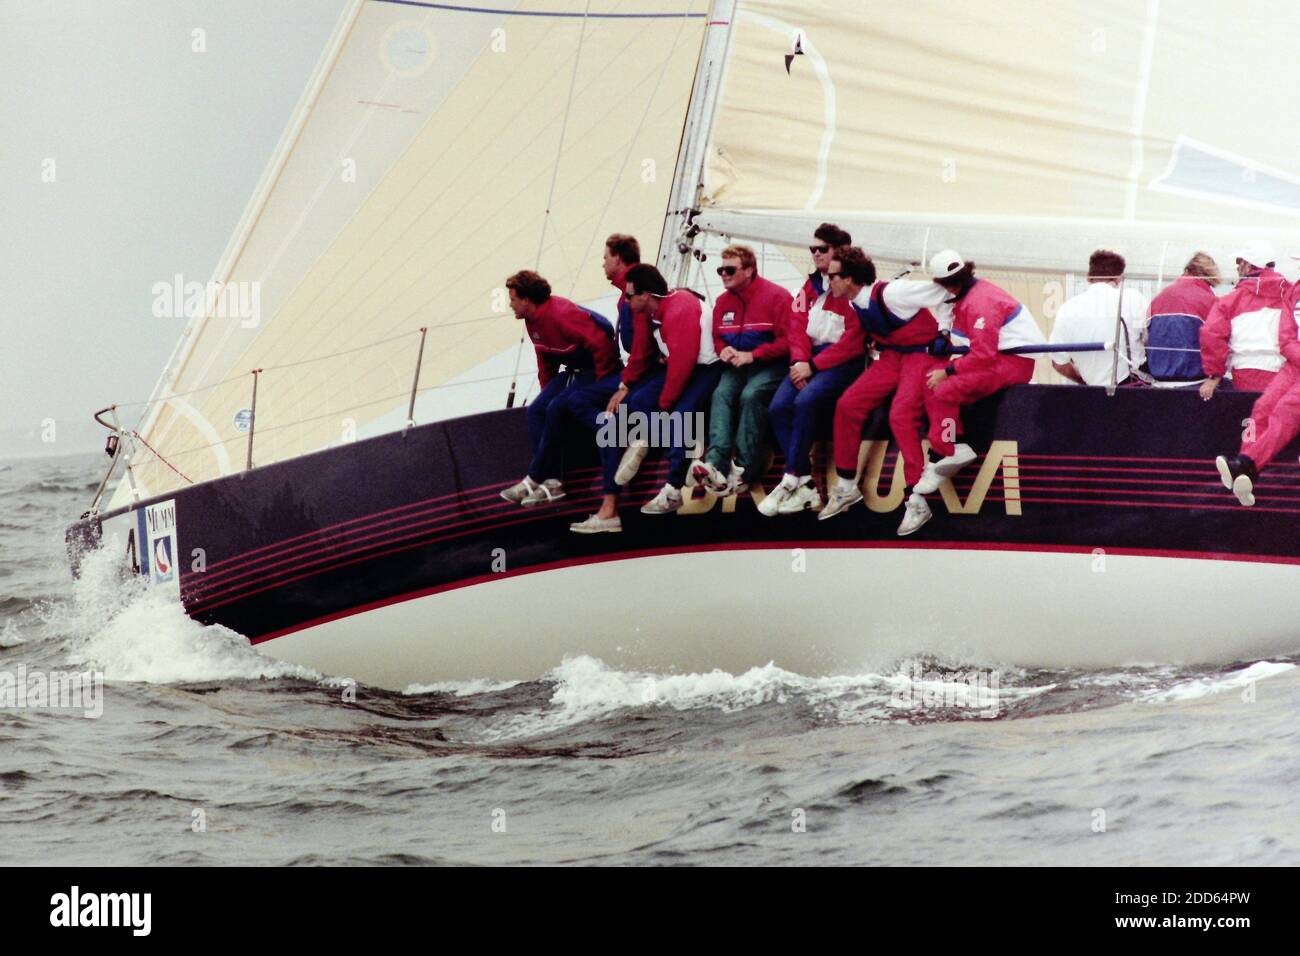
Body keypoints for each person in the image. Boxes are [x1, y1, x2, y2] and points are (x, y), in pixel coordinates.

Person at [569, 264, 722, 530]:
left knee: (681, 414)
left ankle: (673, 487)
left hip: (706, 367)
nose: (625, 301)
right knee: (635, 403)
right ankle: (646, 439)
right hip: (677, 365)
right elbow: (639, 352)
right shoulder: (644, 311)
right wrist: (625, 385)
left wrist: (663, 405)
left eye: (629, 296)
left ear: (646, 295)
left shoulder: (680, 309)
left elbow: (683, 364)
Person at [816, 248, 955, 536]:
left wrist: (943, 331)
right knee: (847, 405)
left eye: (833, 276)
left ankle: (916, 499)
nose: (828, 281)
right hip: (894, 356)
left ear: (850, 278)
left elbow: (948, 292)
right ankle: (845, 485)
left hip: (921, 355)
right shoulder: (854, 302)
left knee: (900, 415)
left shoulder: (894, 293)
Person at [915, 250, 1045, 499]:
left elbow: (983, 355)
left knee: (944, 389)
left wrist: (949, 370)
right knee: (932, 379)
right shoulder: (968, 291)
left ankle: (948, 450)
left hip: (1013, 362)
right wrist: (943, 333)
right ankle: (951, 445)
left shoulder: (980, 302)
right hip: (1000, 357)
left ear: (947, 284)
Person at [762, 225, 863, 516]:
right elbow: (796, 328)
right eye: (813, 249)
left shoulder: (853, 287)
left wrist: (814, 366)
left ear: (839, 253)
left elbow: (853, 342)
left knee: (805, 402)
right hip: (807, 360)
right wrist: (799, 363)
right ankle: (805, 485)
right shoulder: (808, 287)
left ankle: (790, 477)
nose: (816, 253)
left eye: (823, 249)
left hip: (840, 362)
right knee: (778, 408)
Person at [499, 270, 620, 507]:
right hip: (573, 370)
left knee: (557, 408)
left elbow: (602, 347)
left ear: (526, 300)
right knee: (537, 410)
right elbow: (545, 360)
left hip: (596, 370)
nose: (510, 304)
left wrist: (603, 386)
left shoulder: (562, 314)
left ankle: (533, 478)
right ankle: (552, 480)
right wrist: (547, 393)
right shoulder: (531, 321)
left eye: (512, 299)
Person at [689, 245, 793, 495]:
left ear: (748, 270)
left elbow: (790, 340)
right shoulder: (723, 302)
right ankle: (715, 463)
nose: (723, 274)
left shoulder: (778, 296)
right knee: (721, 394)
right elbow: (717, 338)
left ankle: (745, 468)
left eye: (730, 269)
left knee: (751, 395)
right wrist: (723, 349)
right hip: (737, 366)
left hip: (771, 365)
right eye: (720, 269)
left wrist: (754, 355)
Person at [1215, 281, 1300, 506]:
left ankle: (1245, 464)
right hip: (1294, 364)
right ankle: (1244, 474)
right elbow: (1286, 337)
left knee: (1285, 412)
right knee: (1261, 407)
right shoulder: (1296, 290)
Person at [1199, 240, 1289, 399]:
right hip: (1284, 373)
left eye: (1239, 262)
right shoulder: (1291, 294)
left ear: (1248, 266)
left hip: (1244, 373)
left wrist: (1215, 375)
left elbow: (1211, 335)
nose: (1237, 267)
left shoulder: (1231, 300)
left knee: (1248, 421)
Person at [1049, 250, 1149, 386]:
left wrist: (1082, 381)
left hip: (1094, 393)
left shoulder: (1067, 309)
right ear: (1119, 278)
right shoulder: (1133, 298)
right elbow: (1148, 339)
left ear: (1088, 277)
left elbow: (1059, 363)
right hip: (1132, 387)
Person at [1146, 252, 1220, 385]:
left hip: (1158, 380)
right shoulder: (1210, 301)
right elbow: (1218, 343)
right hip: (1195, 380)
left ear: (1186, 271)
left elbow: (1144, 337)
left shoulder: (1159, 298)